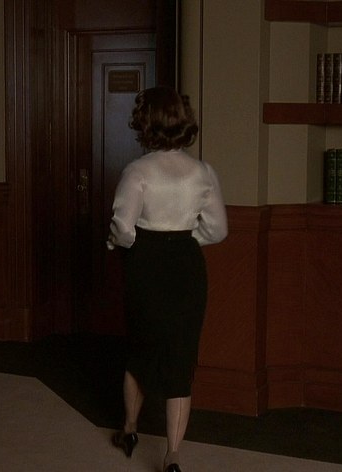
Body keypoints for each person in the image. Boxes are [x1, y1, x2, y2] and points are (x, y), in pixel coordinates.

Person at [107, 86, 228, 472]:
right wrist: (185, 240)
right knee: (181, 356)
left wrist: (122, 243)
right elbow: (218, 230)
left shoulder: (137, 172)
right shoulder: (203, 172)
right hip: (187, 267)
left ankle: (129, 429)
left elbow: (124, 230)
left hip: (147, 264)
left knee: (140, 349)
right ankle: (173, 456)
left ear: (145, 124)